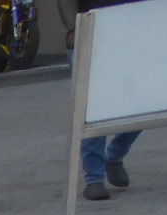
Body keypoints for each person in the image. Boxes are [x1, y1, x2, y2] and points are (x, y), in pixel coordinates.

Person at [58, 0, 142, 201]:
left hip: (132, 33)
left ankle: (114, 156)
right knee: (92, 108)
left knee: (143, 103)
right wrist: (73, 29)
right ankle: (94, 179)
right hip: (91, 34)